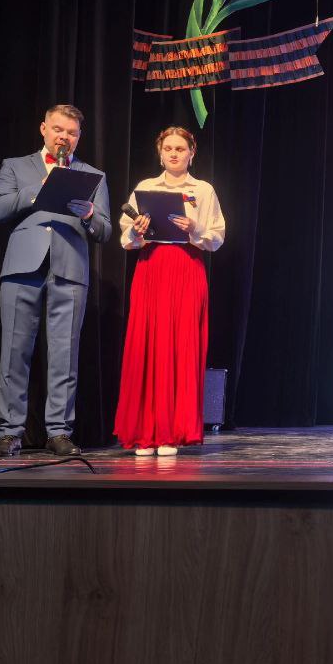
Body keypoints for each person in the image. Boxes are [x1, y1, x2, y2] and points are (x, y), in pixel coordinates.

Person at [0, 104, 111, 457]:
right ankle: (10, 432)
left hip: (69, 271)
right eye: (58, 130)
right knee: (14, 352)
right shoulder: (16, 166)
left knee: (64, 354)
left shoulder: (92, 175)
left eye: (72, 133)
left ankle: (59, 432)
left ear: (78, 137)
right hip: (22, 268)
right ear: (44, 129)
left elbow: (104, 231)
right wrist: (35, 190)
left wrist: (89, 214)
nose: (64, 137)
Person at [114, 127, 225, 455]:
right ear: (160, 153)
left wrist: (195, 228)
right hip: (152, 268)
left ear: (192, 153)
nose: (174, 154)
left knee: (181, 345)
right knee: (147, 343)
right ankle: (145, 431)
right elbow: (126, 239)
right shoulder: (146, 187)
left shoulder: (202, 190)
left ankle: (172, 432)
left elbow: (217, 237)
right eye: (168, 149)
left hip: (187, 267)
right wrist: (137, 231)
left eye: (180, 148)